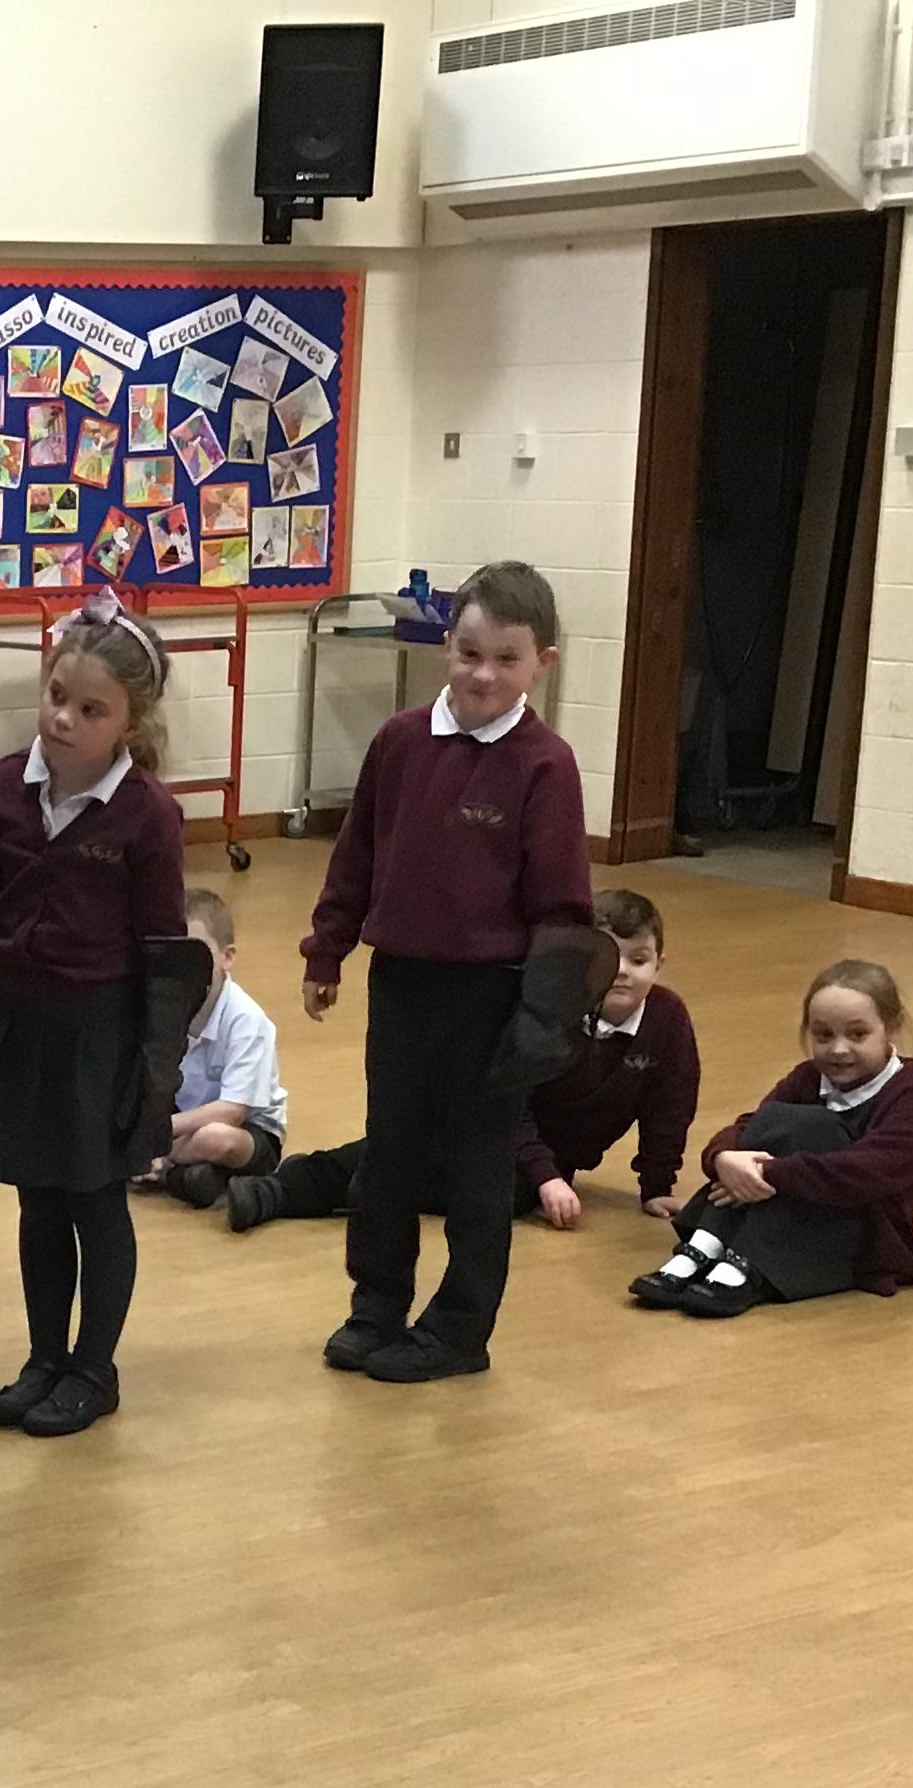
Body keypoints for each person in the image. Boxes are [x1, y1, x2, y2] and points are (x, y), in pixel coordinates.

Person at [298, 559, 594, 1383]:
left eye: (506, 659)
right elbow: (357, 854)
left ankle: (460, 1329)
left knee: (477, 1170)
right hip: (402, 984)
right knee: (389, 1155)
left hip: (492, 998)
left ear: (542, 664)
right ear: (445, 648)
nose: (483, 675)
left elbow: (563, 907)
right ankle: (376, 1305)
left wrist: (542, 1020)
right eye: (469, 654)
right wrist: (328, 946)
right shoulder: (400, 743)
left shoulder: (545, 765)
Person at [0, 595, 191, 1438]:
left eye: (91, 710)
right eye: (56, 696)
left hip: (101, 1033)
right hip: (23, 1019)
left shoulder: (149, 816)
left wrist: (154, 1068)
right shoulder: (5, 788)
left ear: (129, 723)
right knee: (37, 1200)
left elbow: (163, 950)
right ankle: (45, 1357)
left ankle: (94, 1367)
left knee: (95, 1202)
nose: (64, 719)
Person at [232, 885, 695, 1235]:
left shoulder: (668, 1021)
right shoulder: (557, 1008)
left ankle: (330, 1189)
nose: (623, 973)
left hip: (530, 1168)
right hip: (479, 1120)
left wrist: (657, 1184)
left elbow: (670, 1105)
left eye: (639, 960)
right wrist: (547, 1175)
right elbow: (517, 1101)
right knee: (404, 1154)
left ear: (660, 963)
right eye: (612, 958)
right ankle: (284, 1187)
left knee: (488, 1194)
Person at [631, 958, 913, 1319]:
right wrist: (724, 1159)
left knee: (814, 1127)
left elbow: (866, 1172)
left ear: (891, 1028)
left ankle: (746, 1262)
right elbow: (752, 1125)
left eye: (857, 1035)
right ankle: (707, 1245)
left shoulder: (912, 1098)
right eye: (823, 1035)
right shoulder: (808, 1077)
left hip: (865, 1235)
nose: (839, 1049)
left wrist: (766, 1174)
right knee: (776, 1120)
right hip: (799, 1206)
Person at [152, 886, 288, 1208]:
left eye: (197, 956)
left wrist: (156, 1137)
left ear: (227, 958)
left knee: (217, 1139)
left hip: (248, 1129)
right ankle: (193, 1175)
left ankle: (161, 1166)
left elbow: (233, 1111)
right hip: (185, 1119)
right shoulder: (167, 1008)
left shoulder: (246, 1018)